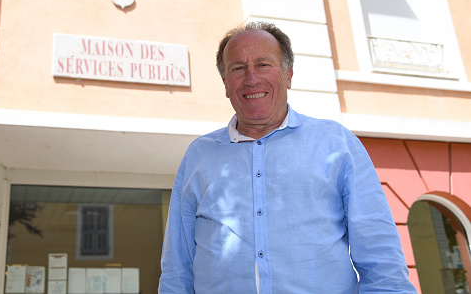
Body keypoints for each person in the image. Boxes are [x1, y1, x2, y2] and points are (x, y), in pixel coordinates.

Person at [158, 22, 417, 293]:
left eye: (263, 64)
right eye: (237, 68)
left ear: (288, 74)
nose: (251, 78)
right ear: (225, 83)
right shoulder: (199, 155)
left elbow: (382, 262)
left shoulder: (336, 143)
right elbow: (177, 269)